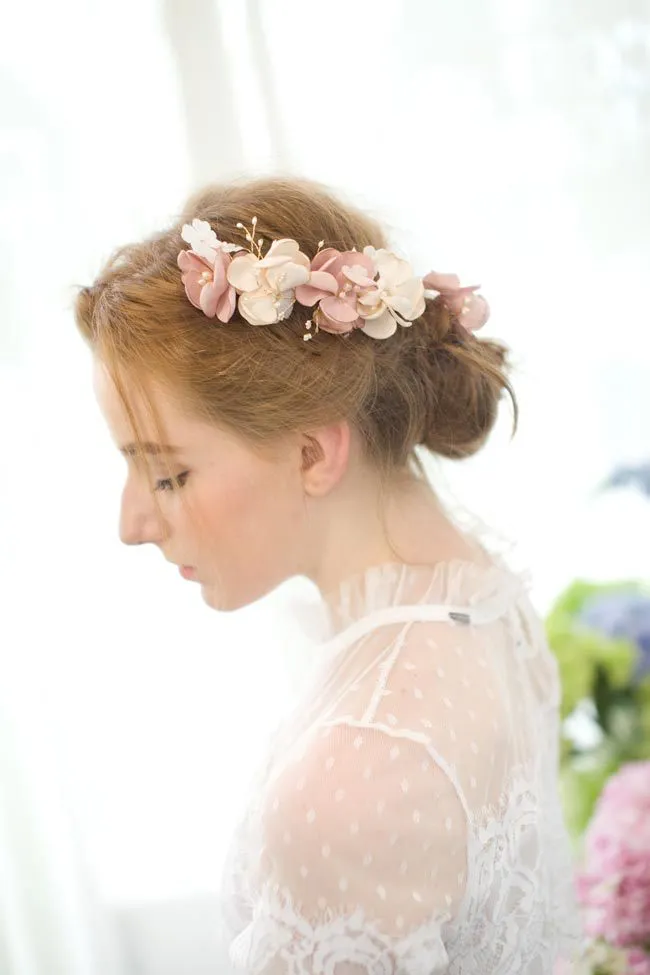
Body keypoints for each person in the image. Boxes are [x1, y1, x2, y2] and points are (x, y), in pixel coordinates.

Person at [75, 177, 580, 973]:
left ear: (313, 453)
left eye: (168, 475)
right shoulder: (477, 595)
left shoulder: (358, 773)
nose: (131, 524)